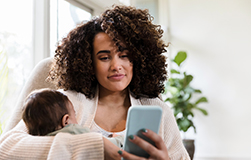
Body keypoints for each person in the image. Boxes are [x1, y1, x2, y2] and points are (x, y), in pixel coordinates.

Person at [0, 5, 190, 160]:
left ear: (138, 59)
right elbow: (5, 149)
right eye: (104, 57)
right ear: (89, 62)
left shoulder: (159, 112)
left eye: (124, 55)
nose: (116, 66)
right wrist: (96, 146)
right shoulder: (67, 103)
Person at [22, 89, 123, 147]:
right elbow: (101, 144)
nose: (76, 120)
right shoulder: (73, 131)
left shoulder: (37, 139)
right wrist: (118, 139)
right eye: (74, 115)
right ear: (66, 121)